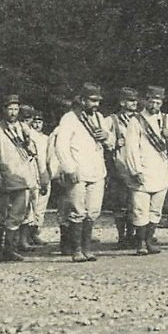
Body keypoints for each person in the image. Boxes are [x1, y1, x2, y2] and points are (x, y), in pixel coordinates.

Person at [55, 83, 112, 263]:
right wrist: (69, 168)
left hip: (97, 170)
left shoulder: (100, 118)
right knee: (77, 210)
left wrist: (107, 136)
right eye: (92, 101)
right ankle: (77, 249)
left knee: (93, 210)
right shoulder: (69, 119)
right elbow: (61, 146)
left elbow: (110, 142)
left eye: (97, 101)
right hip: (78, 170)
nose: (95, 105)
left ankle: (87, 248)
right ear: (82, 100)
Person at [0, 94, 43, 262]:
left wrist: (27, 140)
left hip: (21, 177)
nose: (13, 112)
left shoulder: (24, 127)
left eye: (16, 109)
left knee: (18, 214)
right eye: (10, 109)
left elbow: (32, 152)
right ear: (3, 109)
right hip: (3, 177)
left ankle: (10, 249)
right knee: (0, 215)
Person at [125, 86, 168, 255]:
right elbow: (131, 148)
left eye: (158, 102)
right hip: (143, 169)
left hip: (162, 170)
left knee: (156, 209)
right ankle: (140, 242)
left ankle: (150, 240)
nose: (155, 105)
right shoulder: (136, 121)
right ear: (146, 100)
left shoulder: (167, 119)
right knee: (140, 209)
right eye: (152, 101)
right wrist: (135, 170)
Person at [107, 87, 141, 249]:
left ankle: (134, 235)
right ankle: (122, 236)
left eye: (135, 100)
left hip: (137, 166)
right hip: (119, 166)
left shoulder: (141, 119)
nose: (134, 103)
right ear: (122, 102)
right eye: (130, 100)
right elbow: (104, 141)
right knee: (120, 204)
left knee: (136, 203)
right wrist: (114, 143)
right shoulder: (112, 120)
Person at [20, 107, 51, 249]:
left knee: (40, 207)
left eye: (40, 121)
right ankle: (24, 238)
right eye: (34, 121)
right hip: (31, 172)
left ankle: (35, 233)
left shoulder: (46, 138)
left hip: (44, 172)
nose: (36, 124)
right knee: (28, 206)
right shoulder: (27, 135)